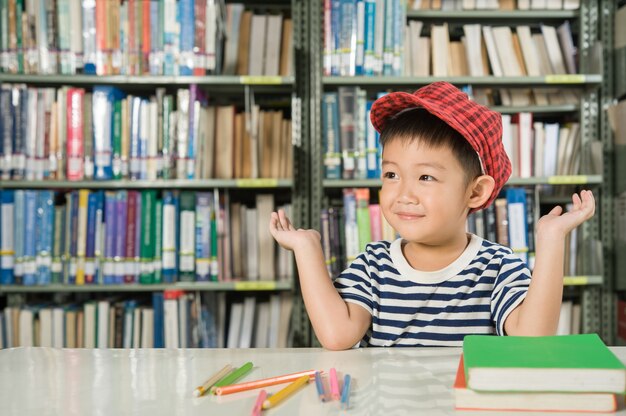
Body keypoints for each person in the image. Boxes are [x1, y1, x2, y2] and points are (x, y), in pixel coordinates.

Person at [269, 82, 595, 350]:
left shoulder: (497, 267)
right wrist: (307, 248)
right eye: (392, 175)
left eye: (425, 177)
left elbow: (532, 341)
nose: (403, 194)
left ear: (475, 192)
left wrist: (551, 241)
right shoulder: (373, 265)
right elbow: (337, 336)